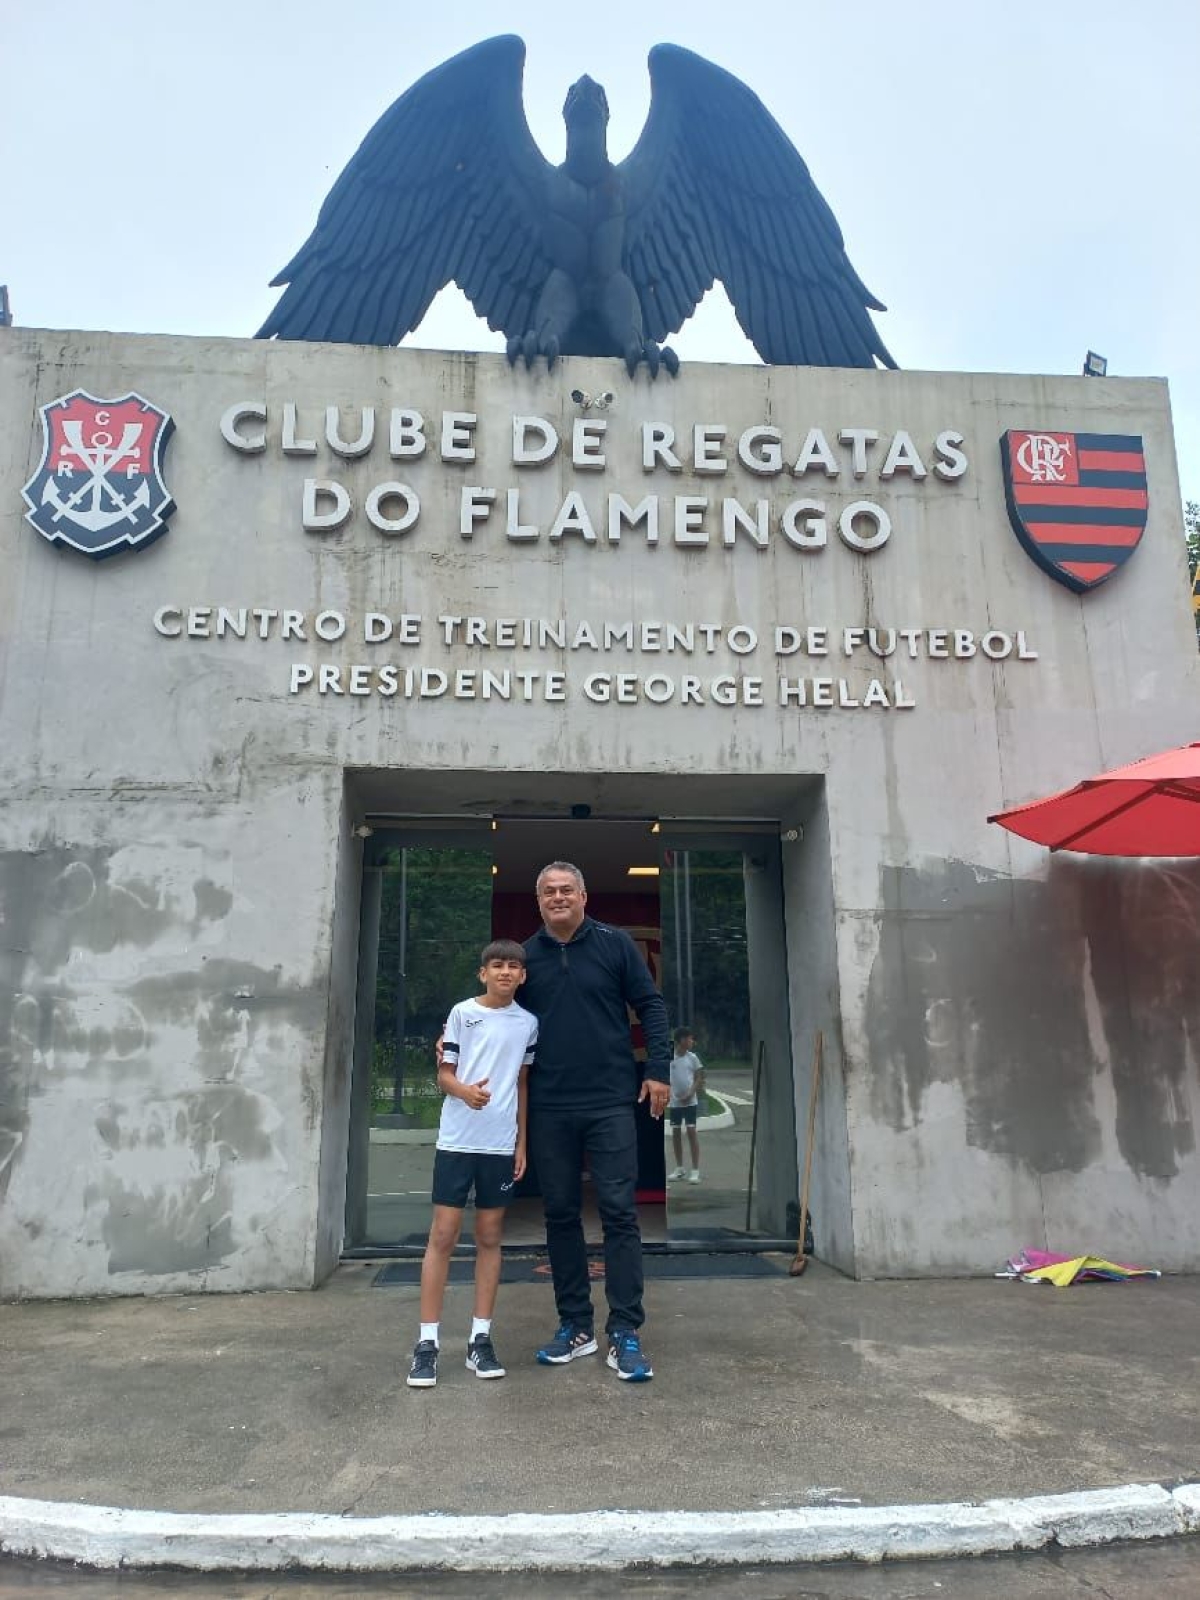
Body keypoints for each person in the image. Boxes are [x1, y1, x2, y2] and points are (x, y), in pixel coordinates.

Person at [519, 861, 671, 1382]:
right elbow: (497, 1015)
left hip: (610, 1101)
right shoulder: (525, 956)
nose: (558, 897)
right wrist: (452, 1043)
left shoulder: (615, 945)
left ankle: (625, 1331)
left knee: (619, 1213)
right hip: (549, 1106)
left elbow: (650, 1006)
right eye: (548, 892)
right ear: (538, 901)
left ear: (584, 896)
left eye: (566, 890)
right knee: (560, 1215)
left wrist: (658, 1069)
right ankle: (576, 1327)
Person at [407, 939, 537, 1389]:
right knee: (442, 1235)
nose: (505, 972)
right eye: (497, 965)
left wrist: (521, 1141)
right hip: (458, 1141)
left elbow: (522, 1083)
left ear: (523, 975)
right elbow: (444, 1074)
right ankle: (427, 1345)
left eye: (514, 966)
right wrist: (466, 1092)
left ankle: (480, 1340)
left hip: (500, 1146)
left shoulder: (528, 1024)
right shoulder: (462, 1013)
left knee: (489, 1236)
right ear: (483, 973)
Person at [667, 1026, 706, 1184]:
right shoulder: (670, 1057)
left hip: (690, 1101)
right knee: (675, 1133)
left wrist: (690, 1093)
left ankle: (695, 1170)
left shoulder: (693, 1057)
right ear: (682, 1040)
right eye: (690, 1038)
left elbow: (699, 1078)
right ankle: (679, 1168)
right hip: (675, 1102)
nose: (692, 1041)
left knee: (691, 1131)